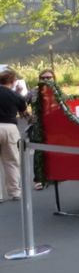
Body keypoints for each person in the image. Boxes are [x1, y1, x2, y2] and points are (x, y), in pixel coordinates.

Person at [0, 69, 30, 201]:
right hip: (10, 128)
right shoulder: (16, 96)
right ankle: (14, 192)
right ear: (13, 82)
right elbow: (25, 114)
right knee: (11, 161)